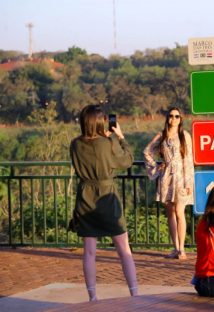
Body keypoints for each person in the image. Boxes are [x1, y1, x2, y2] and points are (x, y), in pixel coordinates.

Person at [69, 104, 138, 301]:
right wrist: (119, 138)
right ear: (100, 122)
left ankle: (92, 297)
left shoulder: (75, 144)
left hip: (86, 197)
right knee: (124, 249)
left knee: (89, 251)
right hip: (107, 196)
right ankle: (134, 293)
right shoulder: (107, 143)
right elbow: (127, 161)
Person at [143, 107, 194, 260]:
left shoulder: (185, 135)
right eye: (171, 116)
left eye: (177, 116)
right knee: (170, 213)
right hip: (166, 177)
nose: (174, 119)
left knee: (180, 211)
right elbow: (147, 151)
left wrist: (188, 182)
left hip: (181, 177)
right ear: (167, 118)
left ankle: (182, 249)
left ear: (180, 119)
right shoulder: (161, 135)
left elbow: (189, 159)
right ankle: (176, 248)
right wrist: (157, 167)